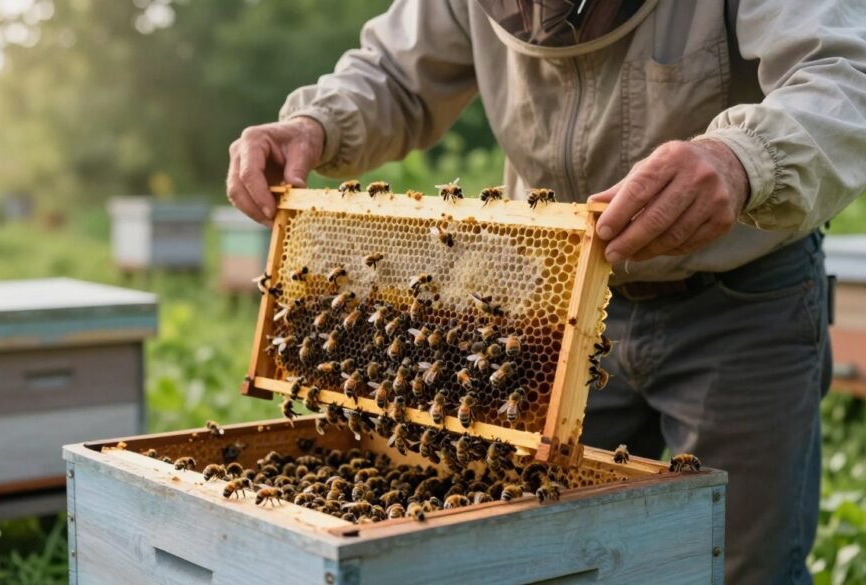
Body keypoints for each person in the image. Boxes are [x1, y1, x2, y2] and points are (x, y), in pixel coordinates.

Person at [225, 1, 866, 583]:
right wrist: (316, 122)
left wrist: (742, 157)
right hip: (550, 319)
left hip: (741, 299)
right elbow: (394, 72)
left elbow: (843, 71)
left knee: (744, 564)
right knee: (551, 555)